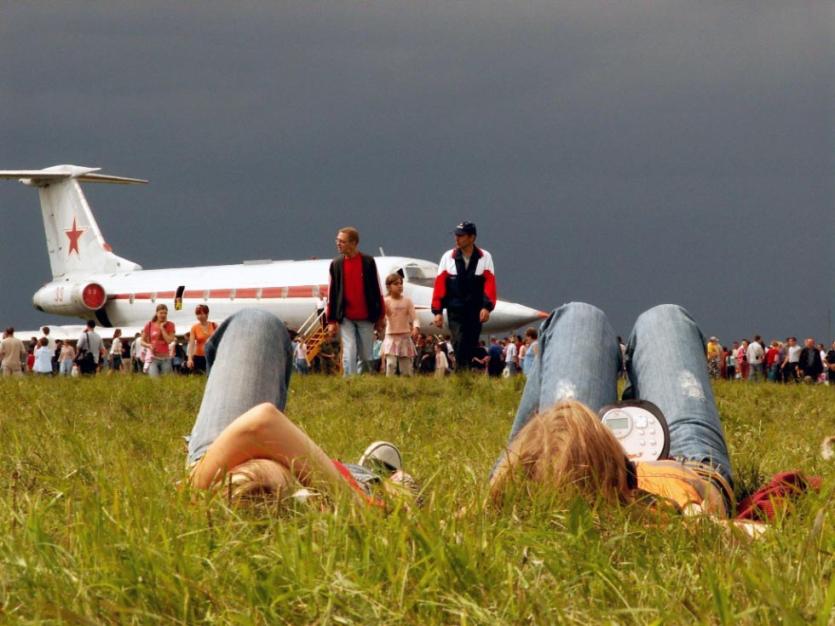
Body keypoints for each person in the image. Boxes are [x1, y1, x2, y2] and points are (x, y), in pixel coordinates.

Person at [490, 303, 734, 520]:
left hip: (562, 471)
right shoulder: (687, 514)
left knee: (578, 316)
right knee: (666, 318)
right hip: (685, 474)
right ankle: (522, 476)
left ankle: (518, 475)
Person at [185, 308, 415, 506]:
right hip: (261, 480)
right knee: (256, 322)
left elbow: (260, 425)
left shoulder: (202, 488)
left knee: (255, 322)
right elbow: (259, 426)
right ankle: (366, 479)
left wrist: (353, 501)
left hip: (217, 461)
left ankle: (360, 481)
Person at [431, 221, 496, 372]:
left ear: (472, 237)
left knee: (471, 342)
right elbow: (439, 285)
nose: (456, 238)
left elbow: (490, 284)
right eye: (456, 235)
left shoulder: (485, 257)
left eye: (461, 235)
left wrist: (487, 307)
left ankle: (464, 373)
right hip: (456, 310)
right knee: (459, 341)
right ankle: (461, 375)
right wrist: (437, 311)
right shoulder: (448, 257)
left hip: (475, 310)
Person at [326, 227, 385, 376]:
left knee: (366, 356)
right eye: (337, 241)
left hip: (366, 316)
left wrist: (380, 316)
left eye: (342, 241)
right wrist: (332, 320)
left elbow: (377, 290)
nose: (338, 244)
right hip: (346, 316)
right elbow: (332, 293)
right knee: (350, 350)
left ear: (354, 243)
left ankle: (362, 379)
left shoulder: (368, 262)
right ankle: (350, 382)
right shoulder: (336, 264)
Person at [381, 273, 419, 377]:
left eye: (401, 283)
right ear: (388, 286)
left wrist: (416, 327)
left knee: (406, 368)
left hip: (405, 337)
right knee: (390, 364)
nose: (400, 286)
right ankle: (389, 386)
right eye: (396, 284)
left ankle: (406, 389)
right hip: (391, 337)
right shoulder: (385, 301)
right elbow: (382, 318)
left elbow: (414, 318)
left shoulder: (408, 301)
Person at [141, 304, 176, 377]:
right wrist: (149, 345)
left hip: (165, 358)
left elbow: (169, 341)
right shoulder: (149, 325)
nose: (163, 315)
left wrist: (162, 328)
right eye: (161, 313)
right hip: (153, 357)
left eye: (165, 313)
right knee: (154, 380)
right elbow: (142, 341)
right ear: (157, 313)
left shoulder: (170, 325)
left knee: (166, 381)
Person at [187, 304, 217, 374]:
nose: (199, 316)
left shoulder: (214, 325)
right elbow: (192, 344)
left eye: (201, 313)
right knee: (199, 377)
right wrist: (190, 359)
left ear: (207, 314)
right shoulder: (194, 327)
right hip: (199, 357)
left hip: (212, 356)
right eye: (197, 314)